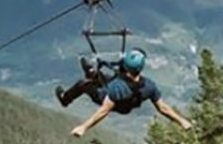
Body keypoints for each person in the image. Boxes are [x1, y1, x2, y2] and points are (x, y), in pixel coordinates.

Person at [57, 48, 193, 136]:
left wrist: (84, 127)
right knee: (103, 77)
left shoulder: (117, 88)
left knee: (84, 84)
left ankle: (65, 98)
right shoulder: (149, 86)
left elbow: (104, 110)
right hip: (125, 101)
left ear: (126, 67)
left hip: (107, 98)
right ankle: (92, 73)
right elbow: (163, 108)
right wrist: (182, 121)